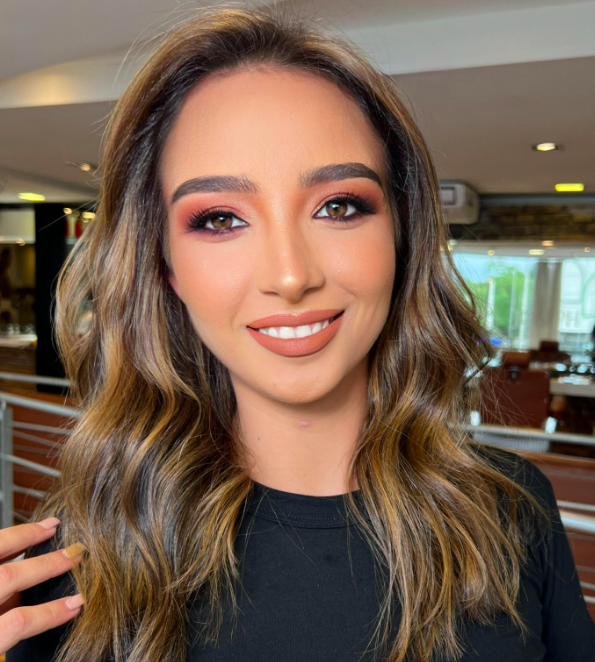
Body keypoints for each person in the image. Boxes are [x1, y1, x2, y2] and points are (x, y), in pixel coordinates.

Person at [2, 6, 595, 662]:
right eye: (221, 219)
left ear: (400, 235)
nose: (290, 276)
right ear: (165, 265)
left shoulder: (511, 508)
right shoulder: (82, 552)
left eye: (338, 206)